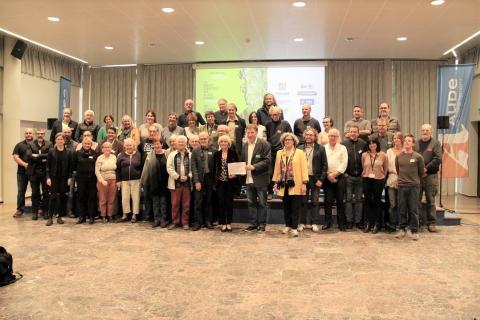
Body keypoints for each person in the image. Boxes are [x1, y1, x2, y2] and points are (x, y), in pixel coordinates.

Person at [272, 132, 309, 237]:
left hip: (296, 184)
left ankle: (294, 227)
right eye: (286, 140)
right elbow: (276, 169)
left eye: (290, 139)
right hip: (283, 184)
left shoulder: (300, 153)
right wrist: (275, 182)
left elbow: (304, 169)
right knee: (286, 206)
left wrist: (304, 183)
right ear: (283, 142)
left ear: (294, 141)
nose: (288, 141)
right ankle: (287, 225)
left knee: (295, 206)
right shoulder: (280, 153)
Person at [242, 124, 271, 232]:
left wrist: (254, 167)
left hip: (260, 178)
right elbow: (242, 161)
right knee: (251, 202)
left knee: (263, 203)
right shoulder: (244, 145)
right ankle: (253, 224)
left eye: (252, 133)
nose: (249, 135)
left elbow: (267, 160)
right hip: (248, 179)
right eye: (248, 133)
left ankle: (262, 225)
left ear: (256, 132)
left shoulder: (264, 144)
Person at [395, 134, 425, 241]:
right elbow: (398, 170)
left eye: (409, 141)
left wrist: (414, 182)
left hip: (414, 187)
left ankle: (414, 230)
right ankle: (402, 229)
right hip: (402, 186)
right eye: (405, 141)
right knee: (402, 209)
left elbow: (422, 173)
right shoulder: (399, 156)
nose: (407, 142)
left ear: (413, 143)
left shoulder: (418, 157)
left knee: (413, 209)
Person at [297, 128, 327, 232]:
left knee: (315, 201)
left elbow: (325, 166)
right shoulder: (299, 148)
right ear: (304, 136)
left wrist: (321, 180)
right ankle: (302, 223)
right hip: (302, 179)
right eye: (307, 135)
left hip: (315, 179)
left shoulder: (321, 148)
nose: (309, 137)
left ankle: (314, 223)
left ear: (315, 137)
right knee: (302, 202)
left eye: (311, 135)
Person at [414, 124, 442, 232]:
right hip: (418, 176)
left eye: (427, 130)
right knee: (417, 200)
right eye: (423, 130)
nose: (425, 132)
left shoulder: (436, 143)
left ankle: (432, 223)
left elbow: (437, 159)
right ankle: (418, 222)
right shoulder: (416, 143)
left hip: (431, 176)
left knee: (431, 201)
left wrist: (425, 169)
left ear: (431, 131)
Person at [342, 126, 367, 229]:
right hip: (348, 176)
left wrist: (364, 172)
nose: (353, 133)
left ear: (358, 133)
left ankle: (358, 221)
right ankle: (349, 221)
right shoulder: (343, 145)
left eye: (355, 132)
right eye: (351, 132)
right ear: (348, 133)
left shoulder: (363, 144)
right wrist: (344, 173)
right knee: (348, 200)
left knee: (359, 200)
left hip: (360, 177)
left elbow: (367, 158)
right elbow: (341, 160)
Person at [46, 133, 74, 226]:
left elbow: (71, 166)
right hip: (54, 177)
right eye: (58, 139)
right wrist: (48, 177)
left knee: (62, 197)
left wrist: (70, 178)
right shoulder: (51, 151)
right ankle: (50, 217)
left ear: (64, 141)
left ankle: (59, 217)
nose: (60, 141)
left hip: (64, 178)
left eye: (61, 139)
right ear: (55, 140)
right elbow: (48, 166)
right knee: (53, 197)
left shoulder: (69, 152)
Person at [213, 135, 239, 232]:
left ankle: (229, 223)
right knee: (221, 203)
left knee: (229, 203)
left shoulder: (233, 153)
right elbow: (214, 169)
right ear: (219, 143)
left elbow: (238, 167)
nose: (223, 143)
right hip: (220, 182)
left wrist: (235, 174)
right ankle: (223, 223)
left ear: (229, 143)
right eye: (222, 141)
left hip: (230, 183)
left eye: (225, 141)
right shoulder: (216, 154)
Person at [323, 128, 348, 231]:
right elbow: (323, 163)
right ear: (328, 137)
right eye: (330, 135)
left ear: (338, 137)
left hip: (340, 177)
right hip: (327, 177)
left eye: (334, 136)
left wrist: (335, 174)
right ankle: (328, 222)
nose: (332, 137)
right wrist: (329, 175)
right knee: (328, 201)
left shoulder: (343, 148)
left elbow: (344, 163)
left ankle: (341, 223)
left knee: (340, 201)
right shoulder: (323, 148)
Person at [362, 137, 388, 233]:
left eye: (374, 143)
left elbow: (385, 168)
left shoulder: (383, 155)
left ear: (377, 144)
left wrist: (382, 176)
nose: (372, 145)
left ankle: (377, 223)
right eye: (370, 143)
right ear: (368, 145)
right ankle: (368, 223)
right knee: (367, 201)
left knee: (377, 202)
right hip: (367, 179)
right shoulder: (364, 155)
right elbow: (363, 167)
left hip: (379, 180)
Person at [141, 140, 169, 228]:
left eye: (158, 144)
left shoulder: (167, 154)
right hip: (153, 182)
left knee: (163, 202)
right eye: (155, 144)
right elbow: (146, 169)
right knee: (155, 202)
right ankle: (156, 219)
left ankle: (163, 220)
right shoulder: (150, 155)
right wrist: (143, 181)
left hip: (164, 183)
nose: (156, 145)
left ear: (162, 144)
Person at [191, 132, 216, 230]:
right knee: (198, 202)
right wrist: (196, 181)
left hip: (209, 179)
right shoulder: (195, 151)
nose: (203, 140)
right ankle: (198, 223)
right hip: (199, 179)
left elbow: (215, 167)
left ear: (208, 139)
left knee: (209, 201)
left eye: (205, 139)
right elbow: (194, 167)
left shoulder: (213, 150)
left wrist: (215, 182)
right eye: (201, 139)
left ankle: (207, 221)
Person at [266, 106, 292, 198]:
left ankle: (283, 191)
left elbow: (290, 137)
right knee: (271, 172)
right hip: (271, 152)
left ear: (280, 114)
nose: (275, 116)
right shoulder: (268, 124)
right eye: (273, 115)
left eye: (276, 114)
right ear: (271, 115)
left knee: (283, 172)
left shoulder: (285, 124)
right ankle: (270, 192)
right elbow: (267, 138)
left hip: (283, 152)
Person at [167, 135, 192, 230]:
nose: (181, 143)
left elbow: (193, 168)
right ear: (176, 144)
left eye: (183, 142)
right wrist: (178, 177)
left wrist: (188, 176)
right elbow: (169, 168)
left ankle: (185, 222)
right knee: (175, 204)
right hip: (175, 183)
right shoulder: (171, 155)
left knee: (186, 204)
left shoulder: (190, 155)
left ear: (186, 143)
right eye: (179, 142)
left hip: (187, 183)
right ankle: (175, 222)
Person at [116, 138, 143, 223]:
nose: (129, 147)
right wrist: (118, 180)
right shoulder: (120, 155)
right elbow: (118, 169)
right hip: (124, 180)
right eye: (127, 145)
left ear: (134, 146)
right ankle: (125, 215)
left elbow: (142, 168)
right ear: (124, 146)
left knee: (136, 198)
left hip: (136, 180)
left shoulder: (139, 155)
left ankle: (135, 215)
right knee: (125, 198)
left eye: (130, 145)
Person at [28, 128, 52, 220]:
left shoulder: (49, 143)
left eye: (42, 133)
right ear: (35, 134)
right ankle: (35, 212)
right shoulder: (30, 144)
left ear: (44, 134)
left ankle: (46, 212)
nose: (40, 135)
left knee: (46, 193)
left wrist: (37, 155)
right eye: (38, 133)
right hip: (34, 172)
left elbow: (49, 155)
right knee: (35, 193)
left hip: (45, 172)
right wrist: (43, 157)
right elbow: (29, 156)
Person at [73, 138, 98, 224]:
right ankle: (81, 217)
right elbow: (77, 162)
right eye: (85, 144)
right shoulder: (77, 153)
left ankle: (91, 217)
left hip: (92, 178)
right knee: (81, 197)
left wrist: (85, 159)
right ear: (82, 144)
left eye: (88, 144)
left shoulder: (95, 153)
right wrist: (88, 159)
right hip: (81, 178)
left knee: (92, 197)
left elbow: (93, 161)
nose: (87, 145)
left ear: (91, 144)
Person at [12, 128, 34, 218]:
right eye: (27, 133)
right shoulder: (19, 145)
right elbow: (15, 157)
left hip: (34, 172)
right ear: (24, 134)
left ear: (33, 134)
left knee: (35, 191)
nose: (28, 134)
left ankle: (37, 208)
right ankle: (20, 209)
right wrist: (25, 164)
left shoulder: (36, 144)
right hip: (21, 172)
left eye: (30, 133)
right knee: (21, 191)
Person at [95, 141, 117, 223]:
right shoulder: (100, 158)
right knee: (103, 199)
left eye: (109, 147)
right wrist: (102, 180)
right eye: (105, 147)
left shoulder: (114, 157)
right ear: (102, 149)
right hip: (103, 180)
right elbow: (97, 171)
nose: (107, 149)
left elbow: (116, 169)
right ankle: (103, 215)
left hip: (113, 180)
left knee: (111, 199)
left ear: (111, 149)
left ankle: (110, 215)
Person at [386, 132, 404, 231]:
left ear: (402, 139)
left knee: (402, 204)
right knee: (393, 204)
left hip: (403, 180)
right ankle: (393, 223)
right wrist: (394, 173)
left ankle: (401, 224)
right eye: (394, 138)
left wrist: (400, 175)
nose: (396, 140)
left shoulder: (406, 151)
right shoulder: (389, 151)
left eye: (398, 138)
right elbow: (386, 166)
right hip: (391, 179)